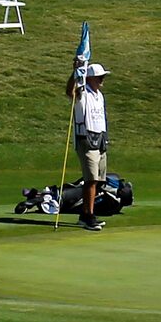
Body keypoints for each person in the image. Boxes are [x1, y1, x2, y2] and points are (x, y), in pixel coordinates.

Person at [70, 60, 112, 230]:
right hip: (86, 141)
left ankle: (85, 213)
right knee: (91, 180)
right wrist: (75, 73)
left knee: (99, 180)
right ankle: (88, 216)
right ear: (90, 78)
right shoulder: (83, 94)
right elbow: (70, 91)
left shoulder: (99, 95)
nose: (102, 80)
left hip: (100, 141)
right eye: (99, 77)